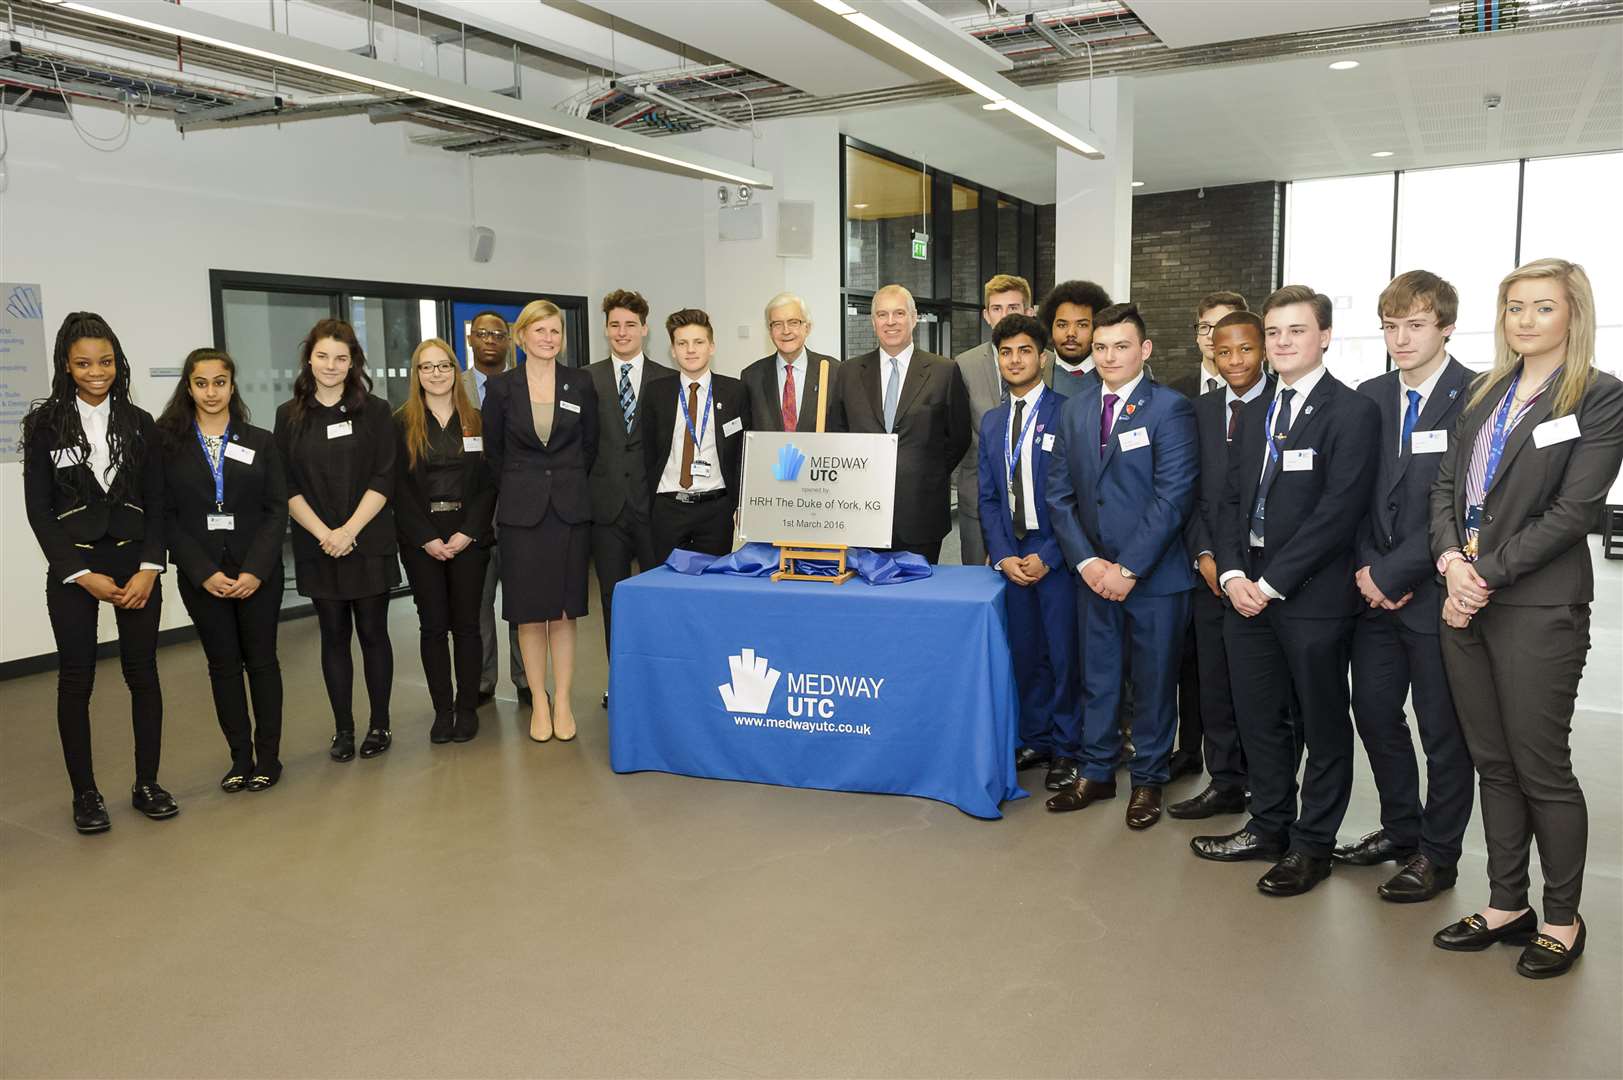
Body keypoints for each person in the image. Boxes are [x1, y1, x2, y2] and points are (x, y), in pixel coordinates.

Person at [1430, 258, 1623, 979]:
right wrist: (1450, 563)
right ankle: (1506, 902)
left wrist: (1481, 573)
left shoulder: (1598, 398)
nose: (1525, 320)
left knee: (1540, 767)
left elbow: (1576, 511)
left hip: (1537, 605)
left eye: (1542, 307)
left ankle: (1562, 918)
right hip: (1464, 598)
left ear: (1572, 315)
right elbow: (1446, 487)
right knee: (1493, 763)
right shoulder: (1484, 395)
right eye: (1514, 307)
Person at [1193, 286, 1380, 897]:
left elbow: (1338, 512)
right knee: (1260, 720)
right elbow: (1226, 499)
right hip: (1245, 593)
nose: (1280, 343)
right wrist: (1231, 575)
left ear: (1324, 336)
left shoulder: (1352, 412)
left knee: (1323, 727)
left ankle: (1313, 845)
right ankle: (1269, 824)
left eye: (1295, 331)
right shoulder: (1256, 410)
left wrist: (1270, 582)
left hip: (1313, 600)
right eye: (1274, 332)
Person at [1336, 271, 1475, 902]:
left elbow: (1468, 508)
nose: (1400, 338)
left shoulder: (1476, 396)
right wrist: (1370, 572)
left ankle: (1439, 855)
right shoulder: (1369, 396)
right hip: (1373, 594)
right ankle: (1401, 830)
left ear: (1446, 326)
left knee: (1443, 731)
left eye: (1415, 325)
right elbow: (1354, 496)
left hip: (1440, 594)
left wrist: (1395, 575)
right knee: (1373, 712)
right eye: (1390, 325)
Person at [1045, 303, 1198, 830]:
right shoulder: (1075, 408)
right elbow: (1058, 494)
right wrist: (1087, 562)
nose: (1109, 356)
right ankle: (1097, 771)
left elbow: (1173, 497)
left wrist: (1126, 568)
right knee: (1100, 679)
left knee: (1154, 686)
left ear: (1145, 350)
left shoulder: (1170, 409)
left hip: (1154, 579)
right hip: (1092, 576)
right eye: (1102, 346)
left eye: (1121, 346)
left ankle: (1149, 780)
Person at [23, 312, 175, 833]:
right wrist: (78, 572)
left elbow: (158, 503)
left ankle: (147, 783)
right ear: (66, 364)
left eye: (106, 361)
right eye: (84, 362)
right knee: (76, 679)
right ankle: (85, 794)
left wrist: (150, 568)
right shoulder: (43, 427)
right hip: (75, 569)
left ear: (118, 362)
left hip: (136, 566)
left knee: (143, 674)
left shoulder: (140, 423)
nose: (96, 371)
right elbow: (39, 512)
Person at [158, 348, 288, 793]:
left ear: (233, 386)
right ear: (188, 387)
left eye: (219, 382)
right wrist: (202, 571)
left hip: (258, 574)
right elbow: (165, 516)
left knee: (263, 663)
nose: (211, 392)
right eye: (201, 383)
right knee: (223, 667)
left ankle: (268, 758)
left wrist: (255, 570)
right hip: (204, 576)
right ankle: (239, 758)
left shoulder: (261, 440)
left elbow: (276, 511)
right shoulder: (168, 444)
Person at [274, 318, 398, 763]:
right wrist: (326, 534)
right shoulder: (288, 416)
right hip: (317, 544)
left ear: (353, 363)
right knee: (332, 636)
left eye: (341, 358)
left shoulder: (377, 411)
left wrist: (349, 531)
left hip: (367, 540)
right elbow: (285, 484)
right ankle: (343, 729)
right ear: (310, 358)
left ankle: (379, 723)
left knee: (373, 634)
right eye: (323, 356)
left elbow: (386, 474)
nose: (331, 365)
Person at [1170, 311, 1272, 822]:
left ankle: (1268, 785)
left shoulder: (1284, 406)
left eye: (1246, 350)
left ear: (1264, 349)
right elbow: (1190, 494)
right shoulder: (1200, 411)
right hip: (1209, 573)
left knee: (1268, 693)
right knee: (1214, 682)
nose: (1234, 361)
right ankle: (1225, 779)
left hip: (1270, 579)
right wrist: (1205, 556)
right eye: (1224, 350)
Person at [483, 299, 598, 744]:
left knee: (565, 612)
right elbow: (494, 454)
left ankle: (565, 699)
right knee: (529, 615)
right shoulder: (501, 389)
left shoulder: (580, 383)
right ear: (522, 336)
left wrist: (560, 483)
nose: (548, 339)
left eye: (555, 332)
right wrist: (525, 487)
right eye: (540, 331)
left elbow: (588, 447)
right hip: (521, 515)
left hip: (569, 511)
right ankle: (541, 700)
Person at [975, 313, 1081, 793]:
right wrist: (1001, 555)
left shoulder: (1069, 412)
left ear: (1044, 356)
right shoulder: (993, 421)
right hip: (1013, 556)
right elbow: (990, 498)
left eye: (1023, 351)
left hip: (1055, 555)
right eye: (1005, 352)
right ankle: (1035, 737)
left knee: (1063, 654)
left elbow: (1080, 496)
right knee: (1025, 652)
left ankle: (1068, 748)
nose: (1014, 360)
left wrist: (1051, 554)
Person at [395, 339, 496, 745]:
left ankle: (467, 708)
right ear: (416, 375)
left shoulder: (478, 420)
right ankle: (442, 711)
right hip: (422, 539)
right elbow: (397, 488)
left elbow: (490, 484)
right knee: (433, 626)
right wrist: (426, 538)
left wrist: (468, 531)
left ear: (456, 370)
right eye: (426, 367)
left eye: (443, 366)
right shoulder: (399, 422)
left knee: (468, 626)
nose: (436, 374)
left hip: (469, 535)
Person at [835, 284, 971, 563]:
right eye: (882, 315)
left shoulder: (944, 371)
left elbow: (958, 436)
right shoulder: (848, 372)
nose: (890, 322)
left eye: (899, 313)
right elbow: (838, 433)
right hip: (862, 511)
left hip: (921, 512)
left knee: (918, 599)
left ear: (914, 317)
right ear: (873, 322)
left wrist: (925, 469)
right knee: (867, 600)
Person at [586, 290, 673, 709]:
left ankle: (657, 679)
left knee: (656, 598)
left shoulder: (665, 379)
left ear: (645, 329)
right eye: (615, 324)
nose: (622, 332)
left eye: (630, 324)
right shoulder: (587, 379)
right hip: (605, 510)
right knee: (612, 599)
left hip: (652, 508)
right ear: (606, 329)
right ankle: (620, 679)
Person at [954, 274, 1054, 568]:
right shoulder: (963, 364)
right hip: (979, 498)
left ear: (1029, 311)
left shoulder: (1050, 362)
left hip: (1039, 503)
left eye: (1013, 307)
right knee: (978, 584)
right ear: (986, 315)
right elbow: (956, 433)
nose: (1003, 316)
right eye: (996, 308)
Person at [643, 309, 751, 563]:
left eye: (698, 342)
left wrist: (739, 505)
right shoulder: (656, 393)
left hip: (716, 510)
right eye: (682, 343)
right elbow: (646, 452)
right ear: (672, 350)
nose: (690, 350)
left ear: (711, 347)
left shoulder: (734, 392)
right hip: (668, 507)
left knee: (711, 589)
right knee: (667, 588)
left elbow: (742, 455)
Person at [461, 311, 528, 706]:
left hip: (519, 509)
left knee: (523, 602)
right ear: (471, 340)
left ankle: (526, 680)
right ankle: (483, 683)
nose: (490, 340)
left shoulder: (525, 384)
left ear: (509, 341)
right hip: (471, 514)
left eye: (498, 335)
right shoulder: (454, 386)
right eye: (482, 334)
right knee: (478, 604)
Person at [741, 292, 843, 433]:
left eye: (793, 322)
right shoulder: (751, 377)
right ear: (770, 331)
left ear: (807, 328)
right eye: (777, 324)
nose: (786, 331)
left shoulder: (834, 371)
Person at [1038, 280, 1113, 398]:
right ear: (1050, 326)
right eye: (1062, 325)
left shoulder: (1116, 370)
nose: (1071, 333)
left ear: (1098, 328)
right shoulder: (1034, 372)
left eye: (1082, 325)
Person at [1172, 291, 1248, 399]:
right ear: (1197, 337)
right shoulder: (1175, 392)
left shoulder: (1260, 389)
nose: (1211, 335)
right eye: (1204, 326)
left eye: (1220, 326)